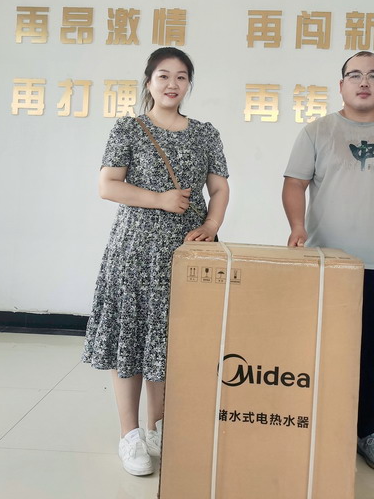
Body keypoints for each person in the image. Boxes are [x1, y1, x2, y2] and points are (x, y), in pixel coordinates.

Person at [282, 51, 374, 473]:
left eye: (373, 75)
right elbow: (294, 183)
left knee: (372, 349)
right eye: (354, 75)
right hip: (325, 262)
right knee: (319, 347)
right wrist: (297, 226)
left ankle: (368, 432)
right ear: (341, 85)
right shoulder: (317, 131)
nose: (363, 82)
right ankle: (316, 425)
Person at [81, 47, 230, 476]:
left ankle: (158, 428)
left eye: (181, 77)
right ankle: (129, 435)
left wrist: (212, 224)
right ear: (149, 81)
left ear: (189, 84)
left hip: (186, 253)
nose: (172, 84)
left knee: (170, 343)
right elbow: (108, 186)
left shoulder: (205, 133)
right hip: (135, 252)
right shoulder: (129, 128)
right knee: (131, 339)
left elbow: (219, 188)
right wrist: (159, 200)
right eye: (163, 75)